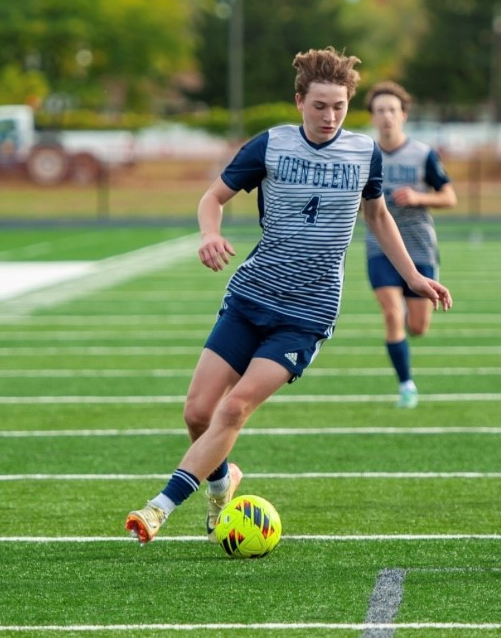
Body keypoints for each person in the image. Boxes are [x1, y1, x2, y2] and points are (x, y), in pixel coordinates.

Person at [125, 47, 452, 545]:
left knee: (234, 409)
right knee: (197, 412)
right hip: (252, 295)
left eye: (339, 106)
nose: (330, 116)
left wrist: (411, 277)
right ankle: (222, 481)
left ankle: (158, 508)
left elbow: (378, 216)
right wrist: (208, 235)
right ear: (299, 101)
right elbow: (211, 199)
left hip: (308, 313)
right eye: (319, 105)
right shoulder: (270, 145)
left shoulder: (364, 152)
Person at [363, 81, 457, 409]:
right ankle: (406, 384)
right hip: (380, 246)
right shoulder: (364, 154)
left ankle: (403, 327)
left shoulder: (422, 154)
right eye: (380, 111)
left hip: (418, 246)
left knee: (417, 326)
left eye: (392, 109)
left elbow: (449, 196)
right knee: (391, 313)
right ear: (372, 117)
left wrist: (417, 197)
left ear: (403, 114)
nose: (386, 116)